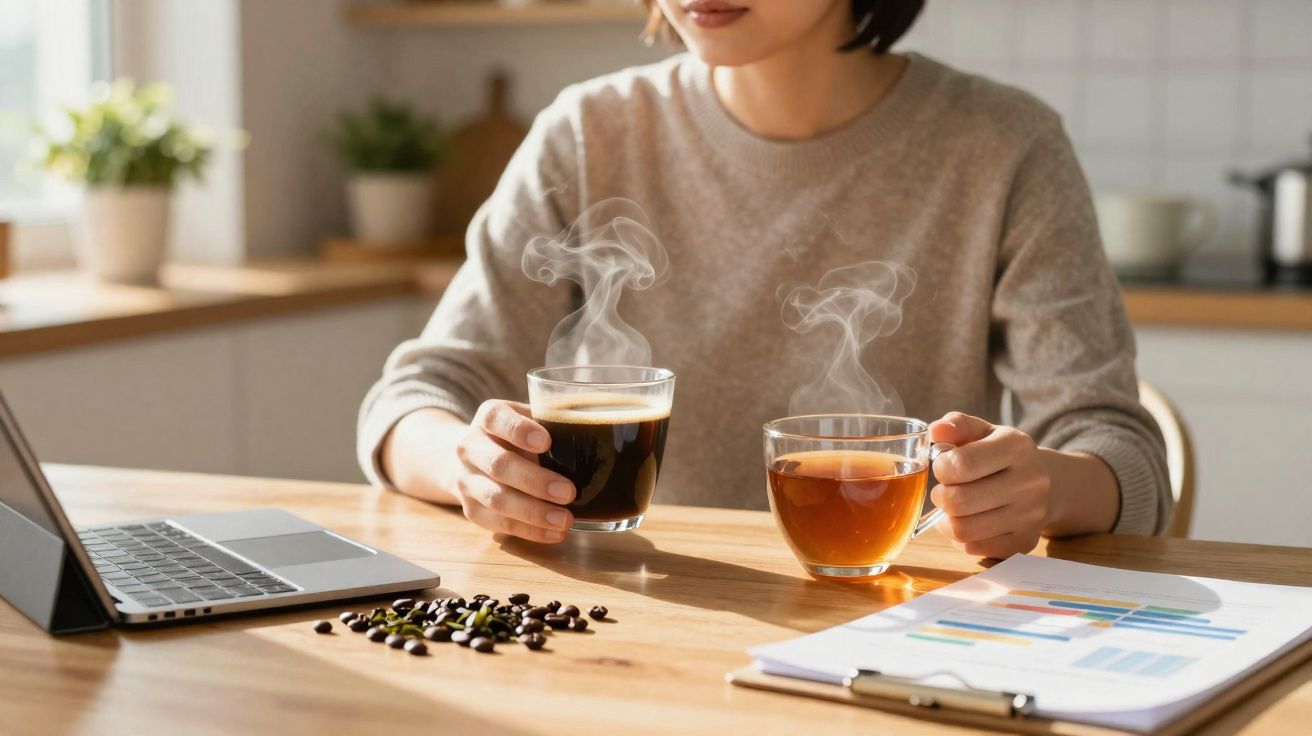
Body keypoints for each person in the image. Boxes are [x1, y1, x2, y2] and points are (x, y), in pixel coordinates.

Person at [357, 0, 1171, 556]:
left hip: (890, 624)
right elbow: (414, 399)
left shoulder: (1005, 146)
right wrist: (467, 460)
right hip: (634, 620)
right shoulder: (586, 132)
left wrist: (1043, 489)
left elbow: (1120, 452)